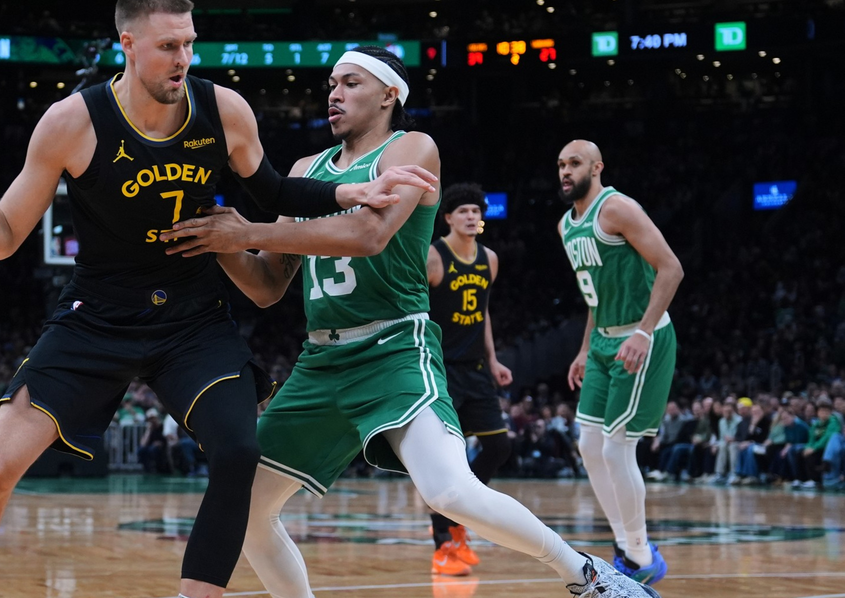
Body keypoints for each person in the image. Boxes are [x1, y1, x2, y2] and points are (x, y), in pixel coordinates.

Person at [0, 0, 437, 598]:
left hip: (191, 319)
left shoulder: (224, 110)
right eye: (167, 46)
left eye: (189, 44)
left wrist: (345, 192)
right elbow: (2, 236)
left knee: (237, 453)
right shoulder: (73, 121)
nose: (183, 58)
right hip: (97, 315)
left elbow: (274, 197)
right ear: (128, 44)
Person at [167, 46, 660, 598]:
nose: (333, 93)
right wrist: (213, 238)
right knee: (246, 510)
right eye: (331, 83)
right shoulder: (306, 171)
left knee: (448, 491)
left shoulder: (413, 148)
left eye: (350, 82)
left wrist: (248, 231)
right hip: (322, 361)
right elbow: (266, 286)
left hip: (396, 347)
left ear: (389, 93)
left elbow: (368, 235)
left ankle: (586, 574)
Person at [558, 139, 683, 585]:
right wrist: (583, 347)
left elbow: (671, 267)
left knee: (616, 447)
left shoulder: (618, 208)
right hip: (602, 343)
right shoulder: (565, 226)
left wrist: (643, 332)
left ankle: (639, 554)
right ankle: (628, 548)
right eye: (561, 165)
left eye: (574, 163)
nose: (566, 171)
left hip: (641, 336)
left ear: (597, 167)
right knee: (589, 447)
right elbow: (595, 295)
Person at [423, 182, 514, 576]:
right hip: (440, 369)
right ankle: (443, 543)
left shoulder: (489, 259)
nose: (472, 216)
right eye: (464, 211)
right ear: (447, 218)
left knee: (498, 447)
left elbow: (484, 314)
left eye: (477, 211)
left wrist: (494, 360)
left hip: (475, 369)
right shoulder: (433, 256)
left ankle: (459, 514)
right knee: (445, 460)